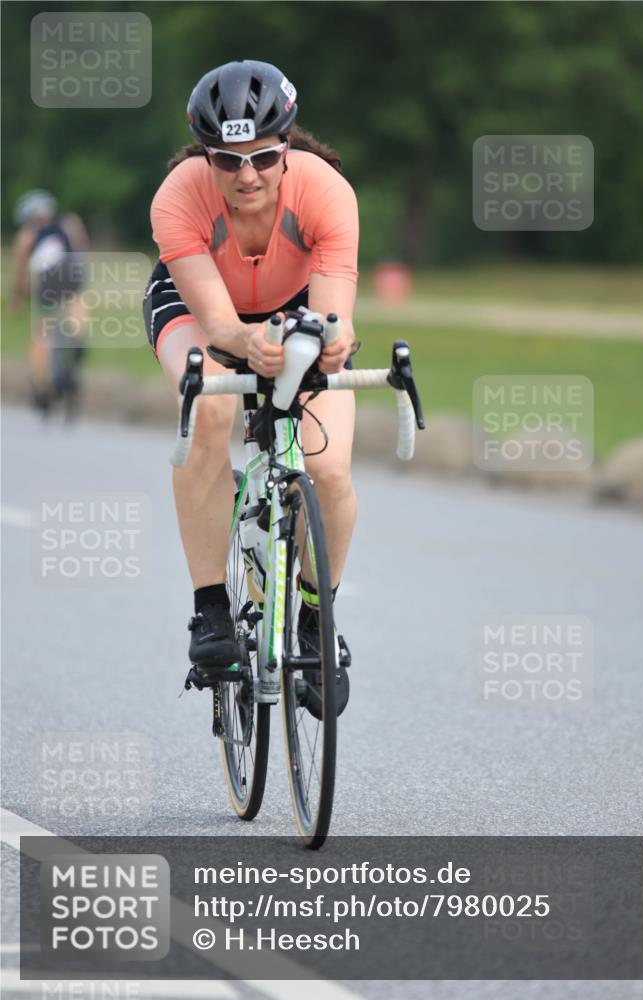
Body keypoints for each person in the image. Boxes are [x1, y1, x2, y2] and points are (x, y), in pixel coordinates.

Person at [144, 59, 359, 714]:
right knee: (207, 407)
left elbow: (333, 316)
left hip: (295, 307)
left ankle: (316, 621)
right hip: (196, 309)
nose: (247, 176)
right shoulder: (178, 197)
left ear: (286, 144)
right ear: (205, 154)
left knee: (328, 465)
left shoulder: (326, 193)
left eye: (264, 158)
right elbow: (216, 324)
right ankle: (211, 610)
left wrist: (333, 342)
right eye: (227, 160)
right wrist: (246, 346)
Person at [10, 189, 89, 415]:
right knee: (75, 307)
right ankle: (77, 337)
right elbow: (81, 248)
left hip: (47, 283)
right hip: (71, 275)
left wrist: (18, 296)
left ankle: (40, 387)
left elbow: (21, 271)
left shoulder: (28, 234)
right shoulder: (69, 223)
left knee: (42, 335)